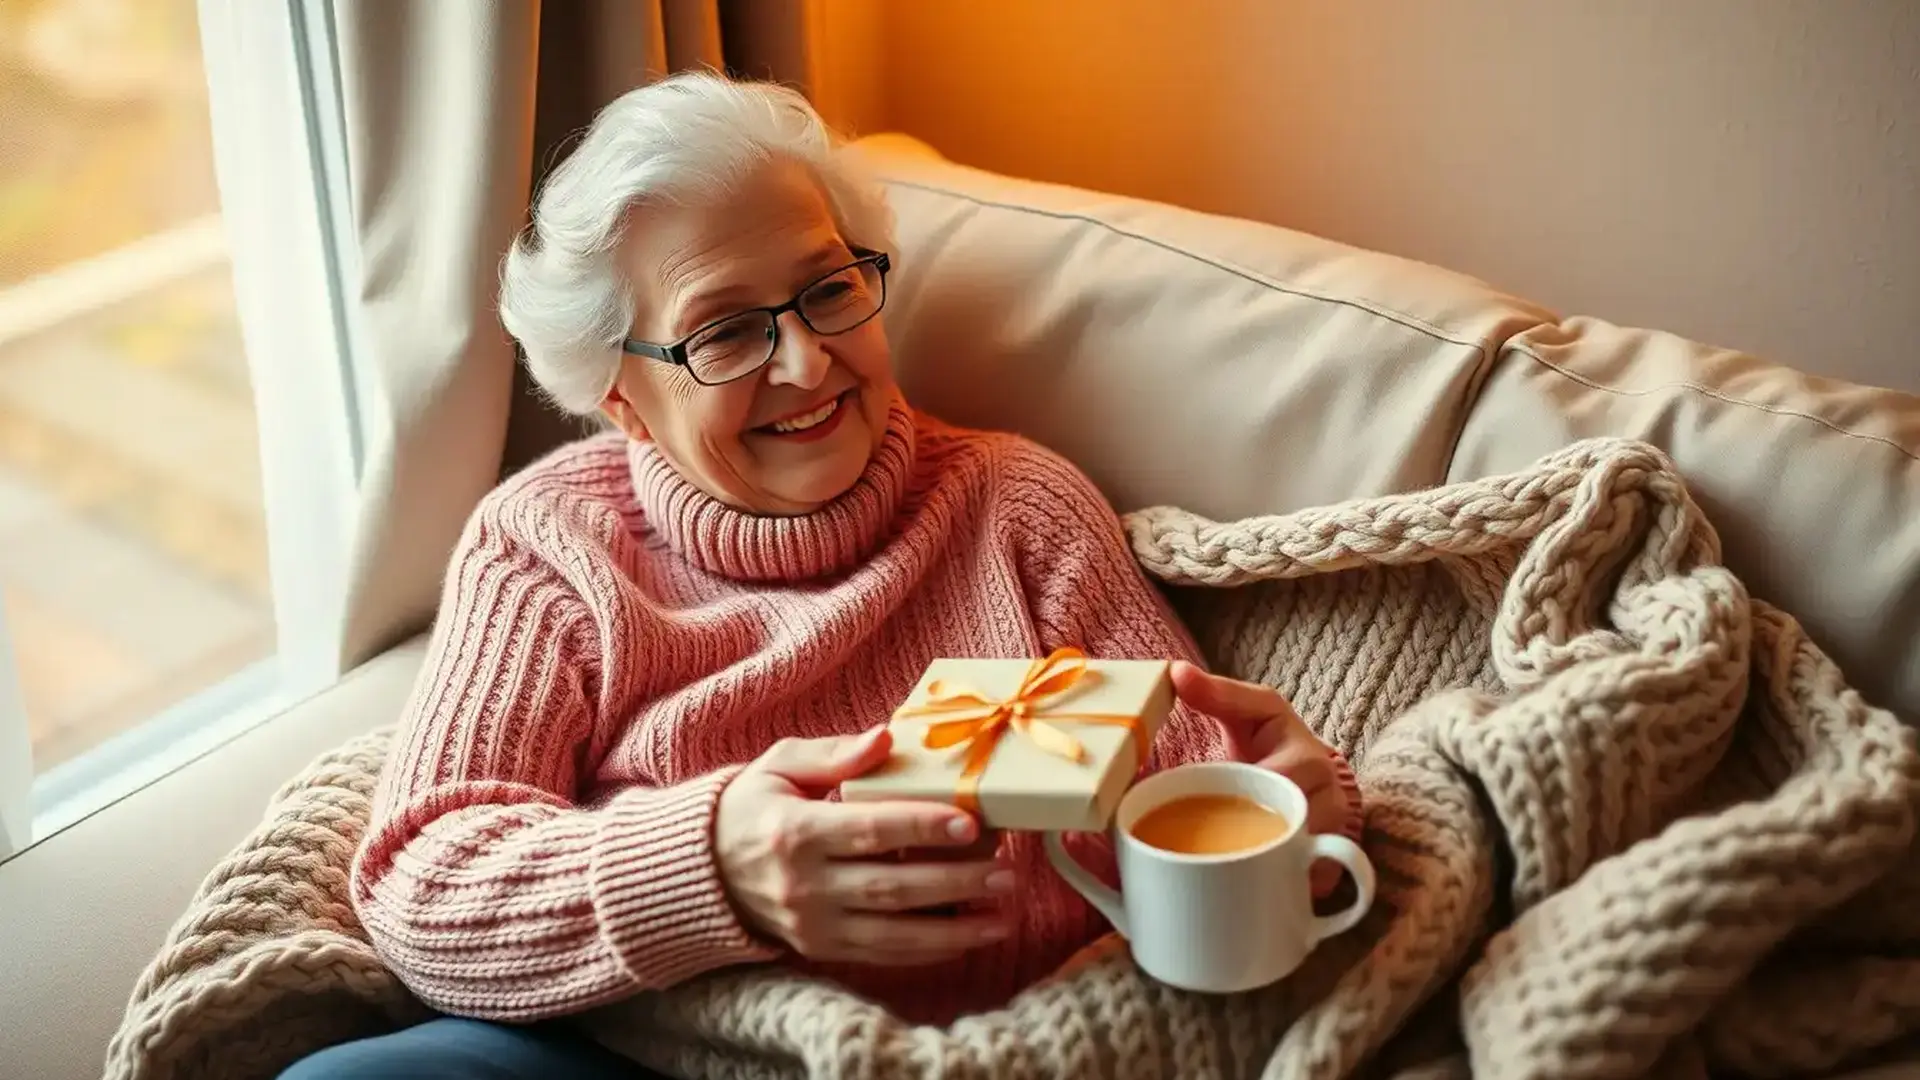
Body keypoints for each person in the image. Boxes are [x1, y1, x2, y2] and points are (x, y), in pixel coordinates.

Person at [280, 72, 1362, 1080]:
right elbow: (421, 881)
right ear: (618, 397)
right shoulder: (548, 546)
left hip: (991, 1049)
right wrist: (710, 867)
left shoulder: (1018, 509)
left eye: (828, 290)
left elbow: (1196, 805)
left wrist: (1306, 832)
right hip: (645, 1049)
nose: (806, 363)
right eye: (724, 334)